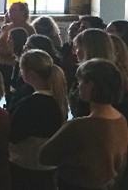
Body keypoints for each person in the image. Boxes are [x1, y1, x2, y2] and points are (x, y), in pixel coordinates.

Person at [40, 59, 128, 190]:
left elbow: (45, 156)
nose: (78, 85)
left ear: (91, 85)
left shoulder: (78, 126)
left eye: (80, 81)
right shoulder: (121, 120)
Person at [9, 49, 68, 190]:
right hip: (49, 165)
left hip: (27, 165)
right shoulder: (58, 99)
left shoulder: (31, 104)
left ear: (30, 74)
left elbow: (14, 135)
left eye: (21, 70)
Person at [0, 2, 36, 103]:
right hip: (2, 63)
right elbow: (0, 43)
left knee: (16, 92)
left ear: (23, 12)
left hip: (16, 64)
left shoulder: (29, 29)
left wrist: (10, 51)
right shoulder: (5, 27)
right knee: (5, 91)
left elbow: (30, 48)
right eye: (10, 10)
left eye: (13, 10)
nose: (10, 12)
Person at [70, 28, 116, 117]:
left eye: (78, 48)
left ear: (88, 49)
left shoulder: (97, 77)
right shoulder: (111, 72)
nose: (75, 52)